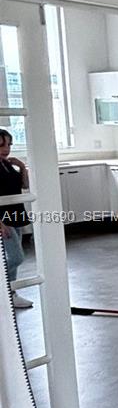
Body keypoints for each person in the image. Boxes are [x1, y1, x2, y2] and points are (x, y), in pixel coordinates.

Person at [0, 128, 33, 309]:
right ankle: (6, 291)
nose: (6, 148)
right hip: (3, 218)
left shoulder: (6, 164)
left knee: (13, 256)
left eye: (9, 144)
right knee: (16, 257)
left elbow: (24, 186)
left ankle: (10, 293)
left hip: (16, 214)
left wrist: (21, 167)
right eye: (2, 145)